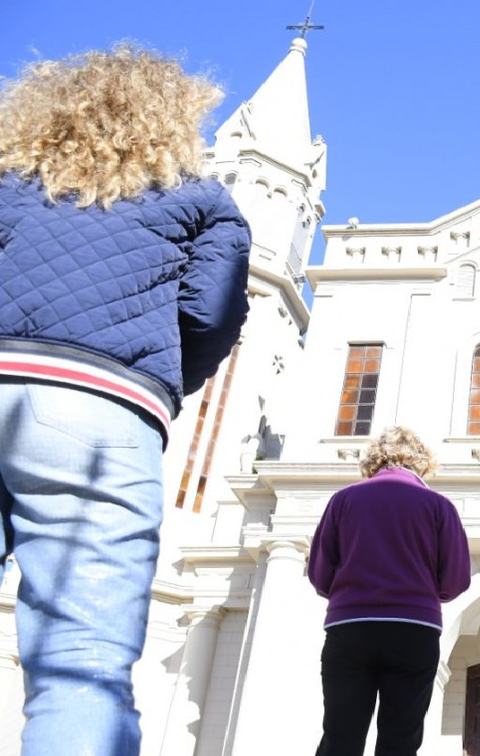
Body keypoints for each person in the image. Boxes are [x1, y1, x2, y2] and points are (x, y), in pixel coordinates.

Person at [0, 45, 250, 754]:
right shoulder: (204, 200)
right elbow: (213, 315)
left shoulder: (9, 182)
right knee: (83, 665)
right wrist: (161, 388)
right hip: (101, 411)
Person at [309, 426, 472, 756]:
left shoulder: (343, 500)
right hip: (414, 631)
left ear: (374, 459)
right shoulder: (438, 506)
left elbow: (319, 574)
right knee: (400, 742)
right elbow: (455, 580)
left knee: (340, 737)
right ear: (422, 462)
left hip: (350, 628)